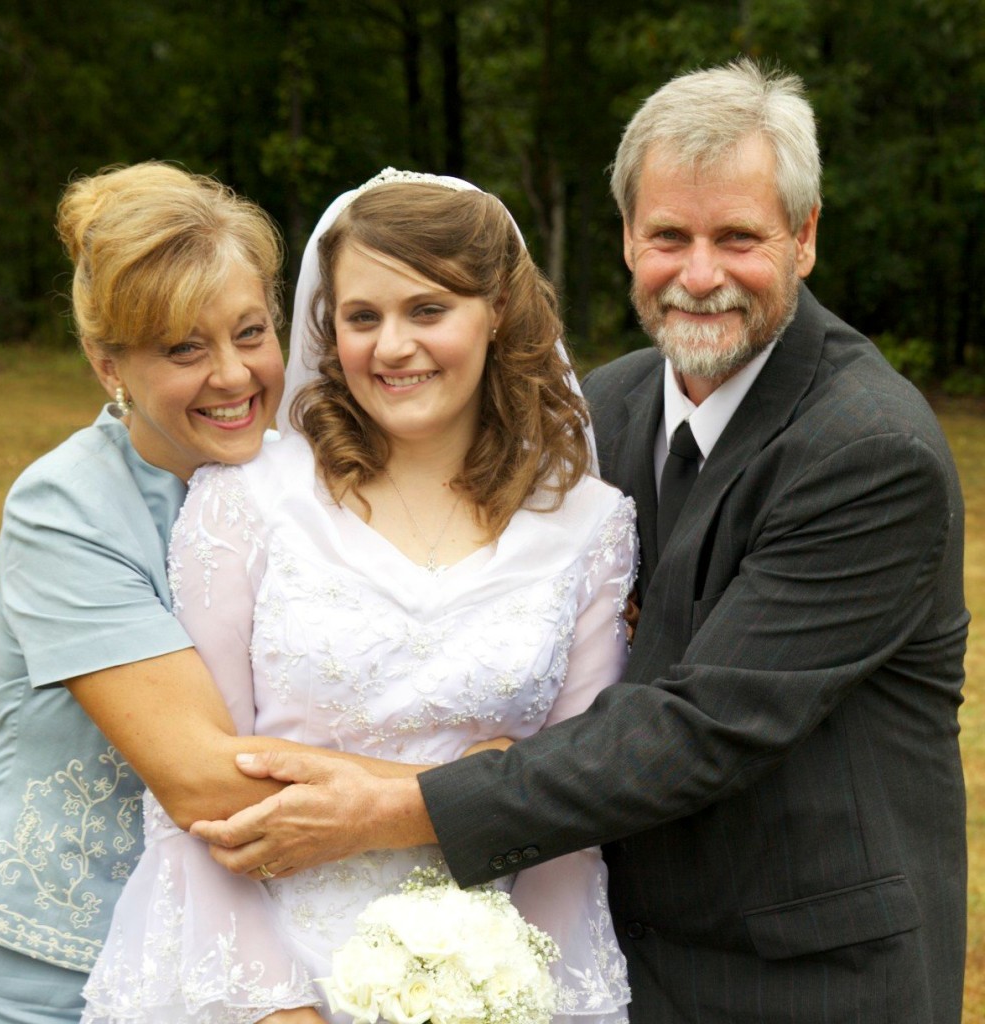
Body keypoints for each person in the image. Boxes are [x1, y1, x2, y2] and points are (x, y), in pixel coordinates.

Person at [192, 61, 969, 1024]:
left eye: (738, 238)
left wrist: (391, 808)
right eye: (668, 237)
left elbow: (700, 727)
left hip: (803, 970)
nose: (699, 274)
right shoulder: (607, 409)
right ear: (627, 240)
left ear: (805, 238)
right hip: (609, 951)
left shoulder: (869, 451)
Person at [80, 169, 637, 1024]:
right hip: (244, 978)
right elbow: (188, 812)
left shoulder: (591, 529)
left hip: (489, 988)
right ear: (327, 328)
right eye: (362, 318)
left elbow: (572, 820)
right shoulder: (250, 497)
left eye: (428, 310)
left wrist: (523, 999)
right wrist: (278, 1010)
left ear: (497, 314)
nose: (392, 347)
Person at [0, 161, 294, 1023]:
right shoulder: (66, 507)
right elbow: (203, 783)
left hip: (249, 966)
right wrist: (457, 789)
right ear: (107, 363)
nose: (232, 376)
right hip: (57, 972)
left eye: (251, 332)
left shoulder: (312, 481)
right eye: (184, 348)